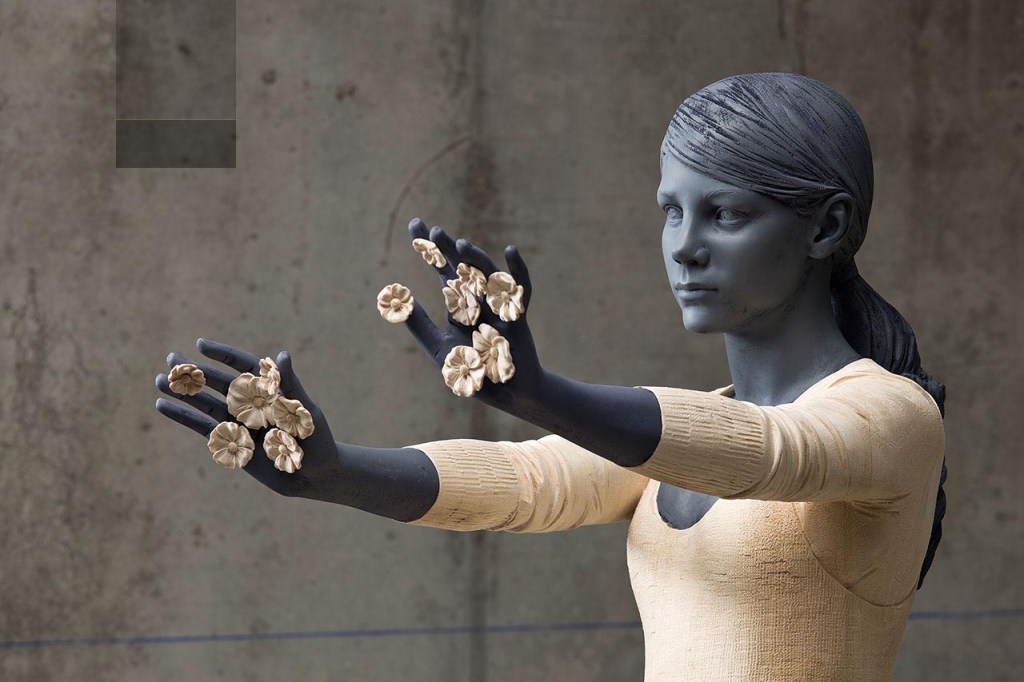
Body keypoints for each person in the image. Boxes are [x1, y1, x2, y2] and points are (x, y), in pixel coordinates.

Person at [155, 72, 947, 681]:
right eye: (672, 211)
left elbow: (772, 454)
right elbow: (524, 481)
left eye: (727, 214)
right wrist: (332, 472)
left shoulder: (894, 419)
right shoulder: (687, 432)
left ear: (827, 226)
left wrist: (541, 394)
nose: (683, 246)